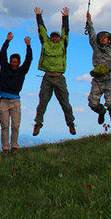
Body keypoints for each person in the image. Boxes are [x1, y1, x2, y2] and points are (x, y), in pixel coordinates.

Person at [33, 7, 76, 136]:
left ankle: (70, 123)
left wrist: (65, 17)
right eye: (53, 37)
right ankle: (38, 124)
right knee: (42, 102)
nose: (55, 38)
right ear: (50, 38)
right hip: (47, 77)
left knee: (65, 103)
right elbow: (41, 30)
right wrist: (39, 16)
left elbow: (66, 31)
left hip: (59, 77)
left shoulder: (63, 44)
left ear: (60, 38)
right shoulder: (45, 43)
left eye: (57, 37)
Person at [85, 10, 111, 130]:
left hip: (109, 79)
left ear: (109, 40)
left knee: (110, 103)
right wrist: (89, 21)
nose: (102, 39)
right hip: (97, 80)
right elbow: (91, 34)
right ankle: (101, 111)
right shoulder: (96, 47)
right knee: (92, 104)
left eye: (105, 37)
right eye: (101, 38)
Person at [0, 33, 32, 155]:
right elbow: (2, 54)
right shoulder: (5, 67)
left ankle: (14, 147)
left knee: (15, 126)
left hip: (15, 101)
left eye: (16, 62)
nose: (14, 64)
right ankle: (5, 149)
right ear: (10, 61)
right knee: (5, 126)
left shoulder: (22, 70)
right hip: (3, 100)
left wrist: (28, 46)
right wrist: (7, 41)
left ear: (19, 62)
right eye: (12, 62)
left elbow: (29, 60)